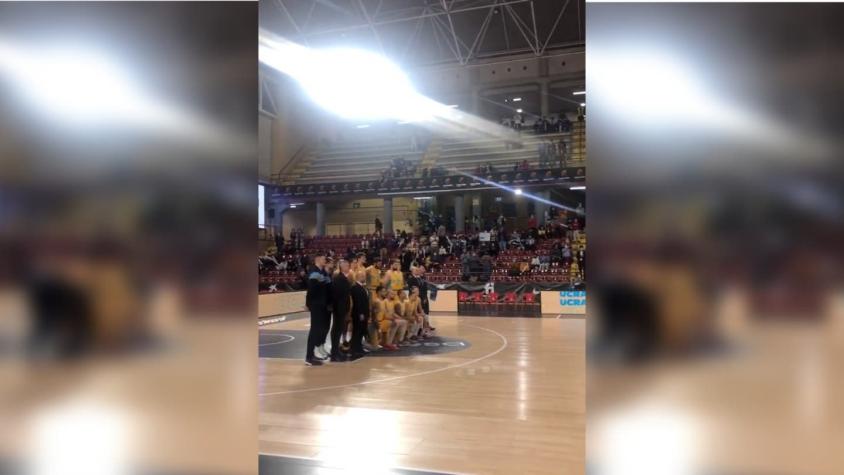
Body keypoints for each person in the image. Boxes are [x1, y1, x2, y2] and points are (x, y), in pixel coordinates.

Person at [304, 253, 331, 366]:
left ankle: (312, 354)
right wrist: (308, 304)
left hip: (322, 304)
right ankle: (309, 357)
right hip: (316, 304)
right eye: (324, 258)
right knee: (314, 330)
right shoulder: (314, 272)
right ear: (317, 259)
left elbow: (328, 287)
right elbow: (311, 290)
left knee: (319, 329)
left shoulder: (322, 272)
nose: (325, 260)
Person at [329, 259, 352, 362]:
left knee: (338, 330)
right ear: (341, 266)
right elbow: (337, 296)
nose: (348, 266)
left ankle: (336, 351)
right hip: (339, 309)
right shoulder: (339, 278)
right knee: (337, 330)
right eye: (346, 265)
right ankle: (334, 353)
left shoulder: (343, 278)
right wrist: (340, 309)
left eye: (348, 265)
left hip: (341, 308)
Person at [348, 270, 370, 359]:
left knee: (361, 331)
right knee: (357, 332)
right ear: (357, 277)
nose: (364, 277)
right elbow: (357, 302)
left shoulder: (362, 287)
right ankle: (354, 349)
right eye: (362, 276)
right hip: (358, 314)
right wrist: (361, 313)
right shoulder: (355, 288)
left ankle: (359, 347)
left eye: (364, 276)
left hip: (364, 313)